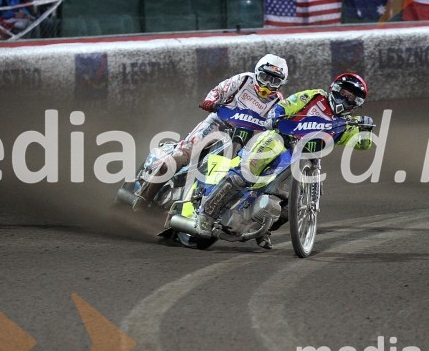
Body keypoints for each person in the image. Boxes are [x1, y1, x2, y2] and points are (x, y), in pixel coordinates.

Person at [195, 73, 374, 248]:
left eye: (351, 97)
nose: (345, 99)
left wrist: (366, 129)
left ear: (356, 104)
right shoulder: (314, 96)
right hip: (280, 140)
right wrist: (276, 115)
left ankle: (263, 228)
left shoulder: (347, 124)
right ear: (334, 89)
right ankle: (206, 214)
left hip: (306, 160)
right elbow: (287, 105)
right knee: (247, 172)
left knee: (293, 204)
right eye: (344, 93)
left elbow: (363, 144)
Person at [133, 55, 290, 207]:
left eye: (274, 81)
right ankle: (142, 199)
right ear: (257, 73)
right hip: (218, 124)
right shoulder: (243, 80)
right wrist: (211, 101)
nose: (268, 84)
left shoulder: (278, 101)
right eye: (265, 77)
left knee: (243, 171)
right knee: (182, 155)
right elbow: (219, 90)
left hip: (246, 137)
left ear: (281, 84)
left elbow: (277, 121)